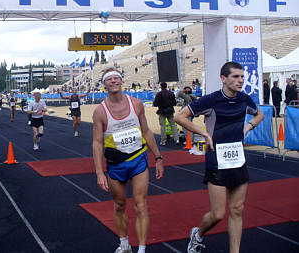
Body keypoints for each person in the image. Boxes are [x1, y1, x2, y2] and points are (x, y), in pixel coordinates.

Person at [174, 61, 263, 253]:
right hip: (217, 160)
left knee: (237, 209)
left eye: (242, 77)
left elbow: (259, 115)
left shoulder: (244, 99)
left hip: (238, 158)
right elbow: (179, 117)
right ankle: (198, 235)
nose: (240, 80)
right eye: (235, 77)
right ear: (224, 79)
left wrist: (248, 128)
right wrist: (205, 134)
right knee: (218, 214)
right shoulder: (210, 100)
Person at [92, 67, 164, 253]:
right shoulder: (100, 112)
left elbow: (146, 131)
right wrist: (100, 173)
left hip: (138, 160)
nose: (114, 81)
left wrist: (158, 157)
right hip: (116, 165)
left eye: (117, 78)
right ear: (104, 85)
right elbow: (97, 143)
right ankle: (124, 244)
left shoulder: (136, 104)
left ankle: (141, 249)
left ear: (122, 81)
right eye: (109, 79)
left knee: (141, 205)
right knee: (119, 205)